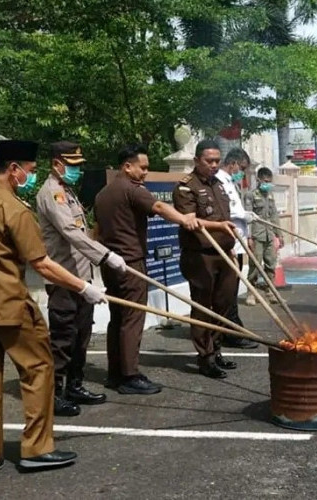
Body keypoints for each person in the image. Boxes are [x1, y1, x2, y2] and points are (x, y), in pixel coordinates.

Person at [0, 140, 107, 479]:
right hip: (8, 307)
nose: (32, 177)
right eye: (31, 172)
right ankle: (37, 448)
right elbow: (43, 264)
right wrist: (84, 287)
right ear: (14, 169)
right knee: (38, 369)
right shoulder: (16, 210)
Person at [94, 144, 201, 394]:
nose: (145, 172)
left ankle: (115, 373)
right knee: (132, 320)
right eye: (142, 167)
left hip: (110, 263)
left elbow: (96, 231)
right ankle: (130, 376)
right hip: (131, 264)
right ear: (127, 166)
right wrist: (185, 219)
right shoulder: (132, 189)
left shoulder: (103, 193)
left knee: (117, 319)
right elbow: (160, 208)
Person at [36, 142, 126, 417]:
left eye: (78, 164)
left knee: (81, 336)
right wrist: (106, 255)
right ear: (56, 163)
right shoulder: (51, 193)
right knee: (63, 339)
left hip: (81, 277)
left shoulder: (67, 191)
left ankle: (74, 385)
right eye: (71, 165)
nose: (76, 169)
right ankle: (54, 394)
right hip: (64, 279)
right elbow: (71, 233)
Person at [172, 139, 239, 379]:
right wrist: (219, 226)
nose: (214, 165)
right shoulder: (186, 187)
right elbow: (190, 221)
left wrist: (228, 241)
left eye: (217, 161)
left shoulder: (219, 184)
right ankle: (205, 357)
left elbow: (225, 218)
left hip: (224, 254)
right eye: (209, 161)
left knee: (223, 304)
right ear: (197, 161)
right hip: (200, 256)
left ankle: (216, 349)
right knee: (203, 307)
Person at [214, 147, 258, 349]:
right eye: (241, 168)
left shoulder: (231, 181)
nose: (241, 172)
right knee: (227, 290)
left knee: (232, 289)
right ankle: (230, 331)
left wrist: (246, 225)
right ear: (232, 163)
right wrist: (242, 215)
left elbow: (237, 209)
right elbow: (225, 211)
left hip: (237, 241)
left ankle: (232, 328)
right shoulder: (219, 180)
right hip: (228, 242)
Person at [244, 167, 283, 306]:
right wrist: (248, 237)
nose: (267, 184)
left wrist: (280, 235)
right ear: (258, 180)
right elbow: (247, 217)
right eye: (265, 181)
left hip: (269, 235)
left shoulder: (270, 196)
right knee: (255, 265)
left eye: (269, 181)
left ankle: (270, 291)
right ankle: (251, 292)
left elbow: (274, 216)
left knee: (270, 264)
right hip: (257, 235)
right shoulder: (251, 195)